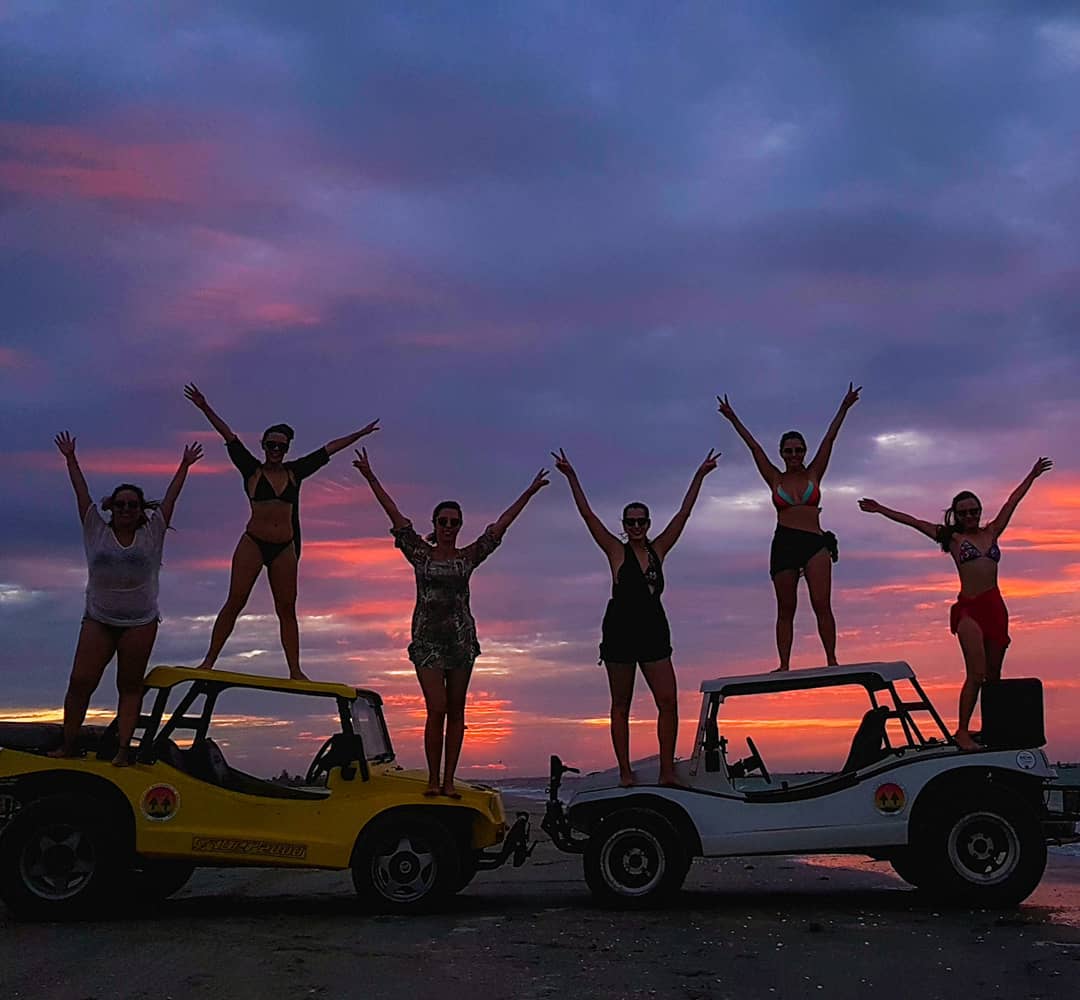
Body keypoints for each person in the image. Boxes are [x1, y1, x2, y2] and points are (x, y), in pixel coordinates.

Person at [354, 447, 549, 797]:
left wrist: (530, 492)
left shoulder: (467, 557)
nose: (447, 527)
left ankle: (447, 780)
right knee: (437, 709)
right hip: (427, 643)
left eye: (453, 522)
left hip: (460, 643)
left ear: (460, 526)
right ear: (434, 525)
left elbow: (498, 529)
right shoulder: (419, 554)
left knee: (457, 711)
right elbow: (396, 515)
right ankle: (432, 779)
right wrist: (370, 476)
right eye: (442, 522)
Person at [184, 383, 378, 679]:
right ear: (263, 445)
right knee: (235, 600)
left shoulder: (295, 472)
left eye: (282, 446)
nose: (276, 450)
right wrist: (204, 406)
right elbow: (228, 436)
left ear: (287, 449)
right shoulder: (251, 469)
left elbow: (329, 449)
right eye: (271, 445)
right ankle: (209, 660)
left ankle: (295, 670)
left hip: (284, 547)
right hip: (253, 542)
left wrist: (360, 434)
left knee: (286, 608)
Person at [551, 446, 719, 788]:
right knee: (620, 704)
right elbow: (588, 516)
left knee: (668, 701)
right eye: (631, 522)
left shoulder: (659, 549)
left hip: (654, 629)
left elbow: (684, 515)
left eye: (642, 521)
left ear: (649, 523)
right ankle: (625, 771)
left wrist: (699, 475)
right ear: (624, 525)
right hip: (620, 631)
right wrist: (572, 477)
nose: (637, 526)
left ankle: (667, 770)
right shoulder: (616, 550)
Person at [859, 457, 1053, 750]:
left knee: (994, 676)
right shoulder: (952, 538)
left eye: (974, 511)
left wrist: (1032, 474)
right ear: (956, 515)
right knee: (975, 673)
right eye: (964, 512)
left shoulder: (992, 531)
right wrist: (880, 509)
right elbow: (913, 522)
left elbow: (1013, 501)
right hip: (969, 610)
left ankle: (991, 727)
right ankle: (961, 731)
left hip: (995, 607)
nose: (970, 516)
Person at [49, 431, 201, 765]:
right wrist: (70, 458)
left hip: (140, 621)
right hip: (99, 618)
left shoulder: (153, 532)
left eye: (133, 504)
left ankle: (121, 751)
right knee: (80, 681)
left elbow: (171, 499)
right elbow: (81, 492)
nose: (127, 509)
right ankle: (69, 743)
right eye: (121, 504)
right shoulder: (95, 528)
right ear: (112, 508)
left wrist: (184, 465)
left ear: (140, 509)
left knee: (129, 685)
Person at [717, 383, 861, 671]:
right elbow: (753, 447)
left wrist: (844, 407)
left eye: (798, 450)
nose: (794, 455)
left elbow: (830, 439)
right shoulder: (774, 478)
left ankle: (832, 659)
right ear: (782, 453)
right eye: (788, 451)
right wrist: (732, 418)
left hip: (814, 542)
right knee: (786, 609)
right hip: (784, 543)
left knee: (821, 603)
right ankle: (784, 664)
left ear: (804, 451)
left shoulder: (814, 472)